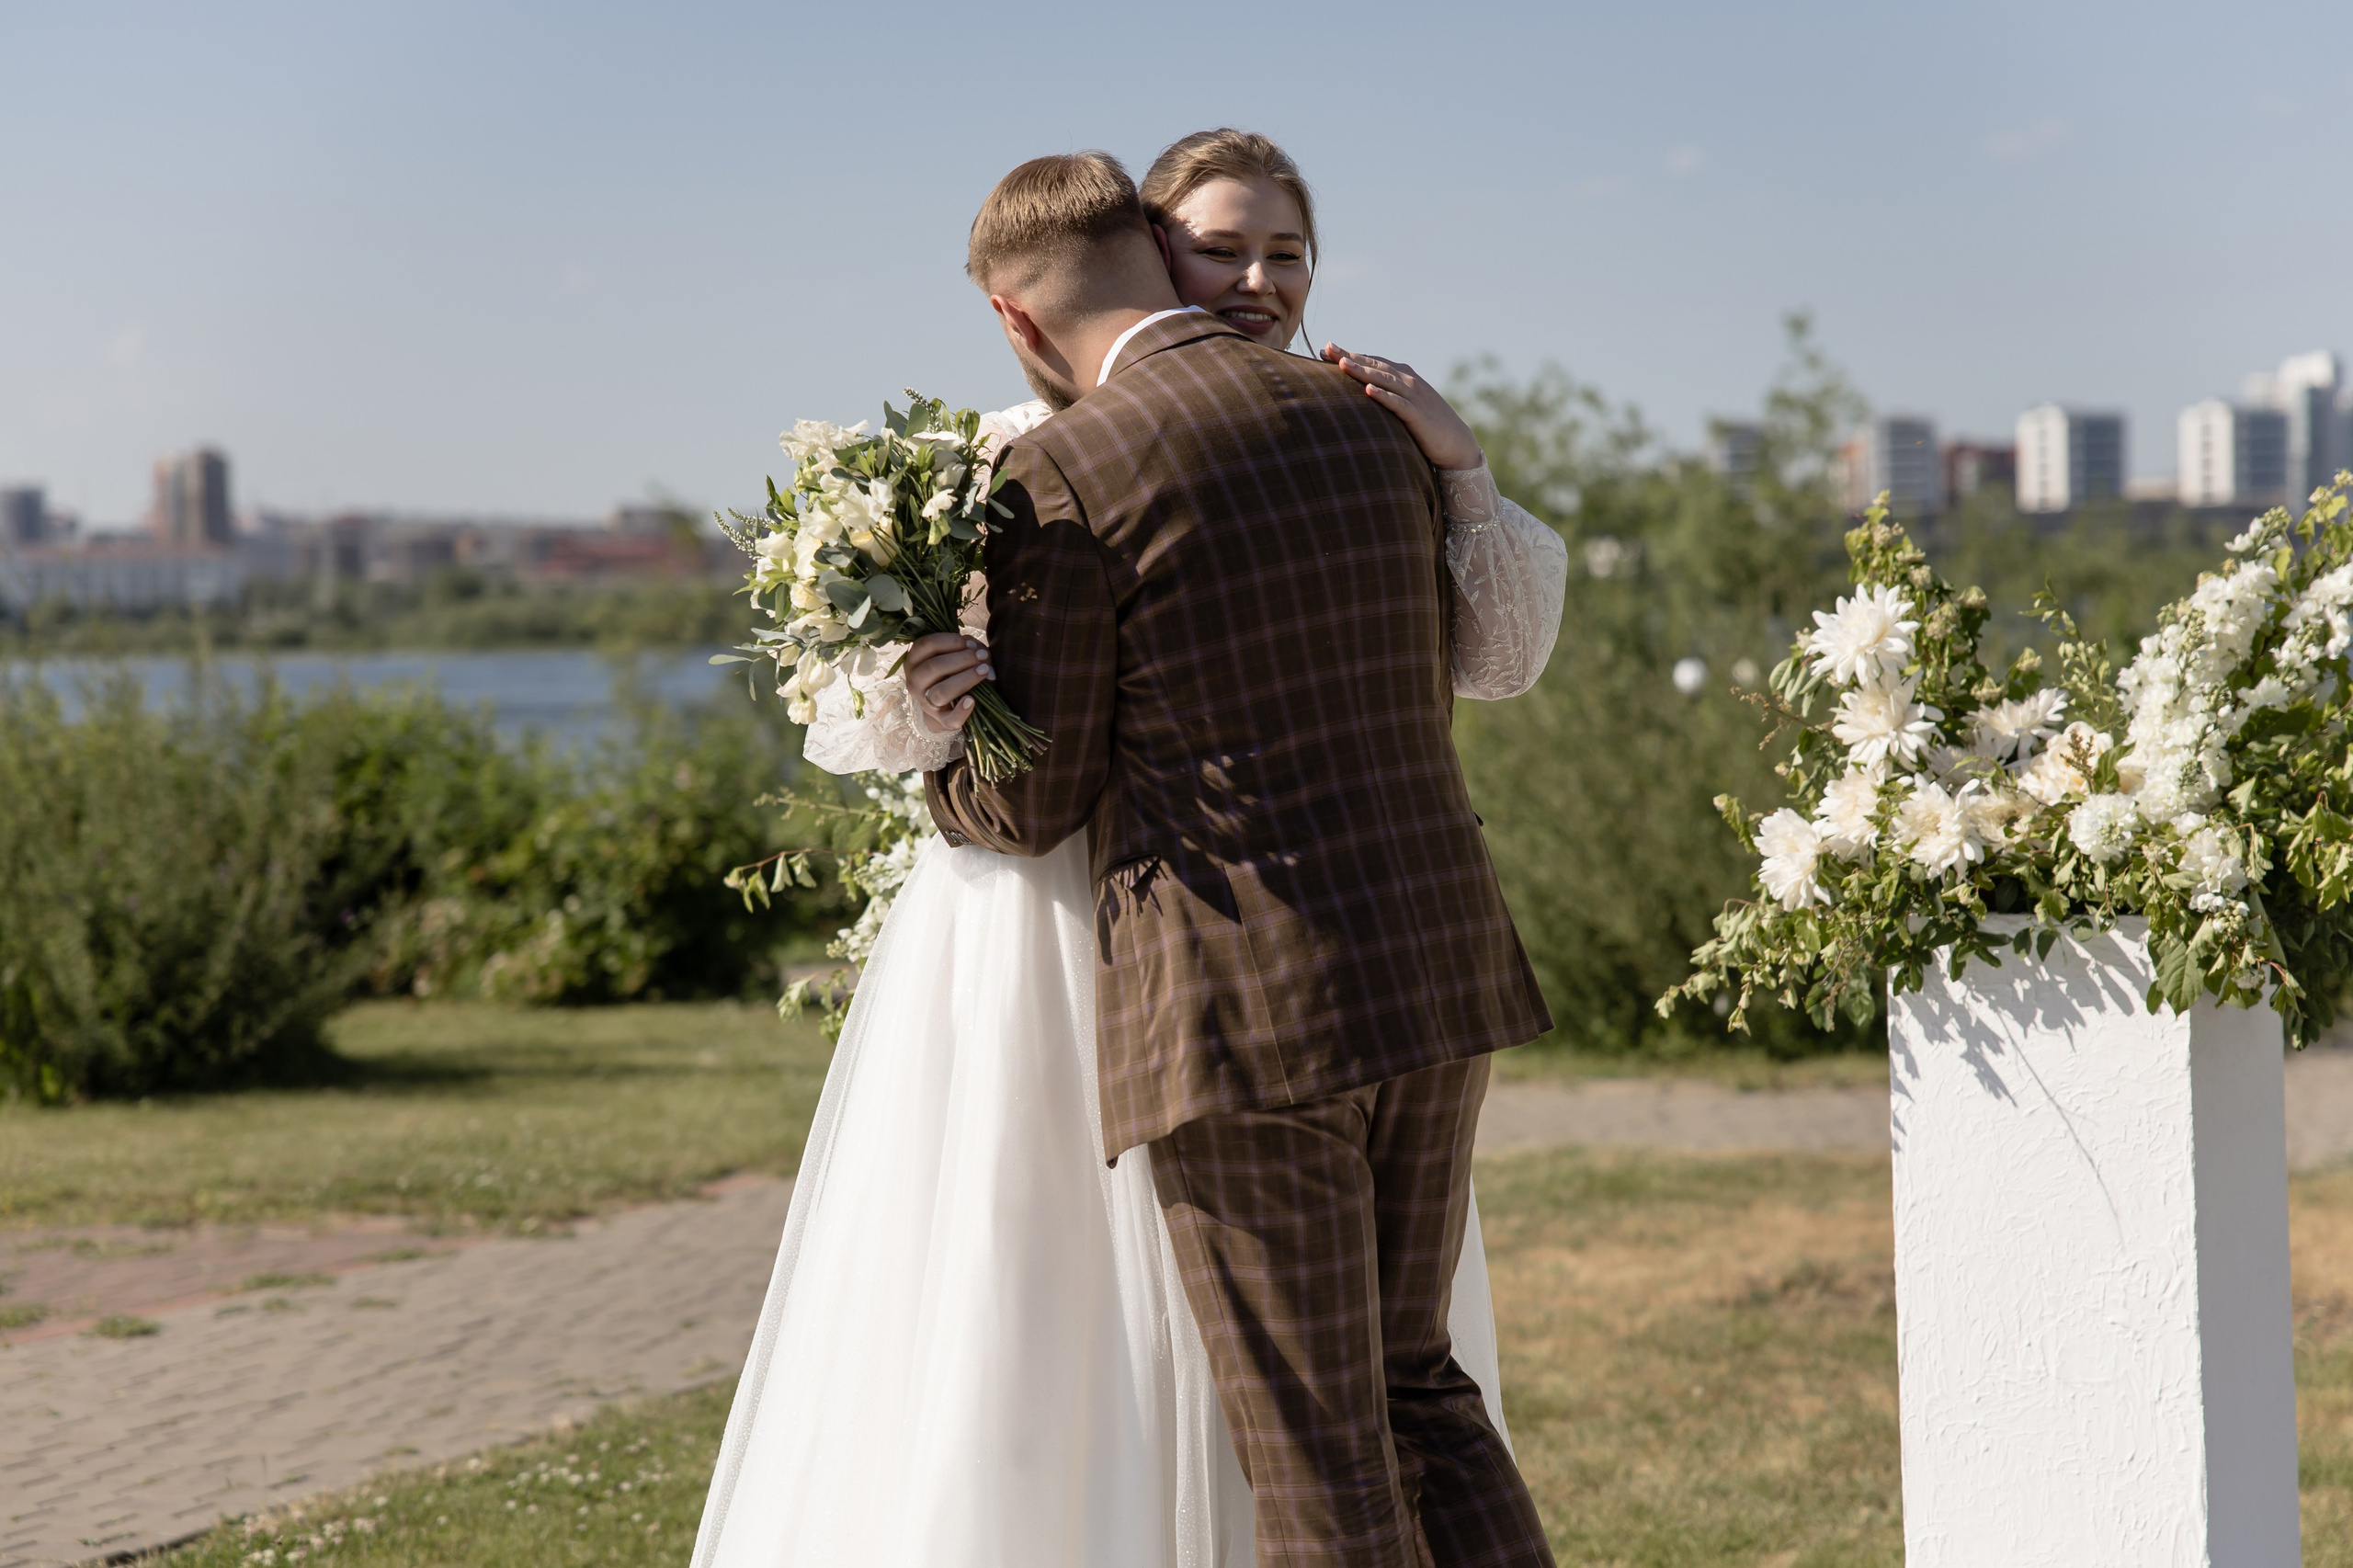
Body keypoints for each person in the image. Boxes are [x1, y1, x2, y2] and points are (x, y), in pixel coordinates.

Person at [693, 133, 1566, 1568]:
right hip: (1436, 968)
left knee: (1319, 1454)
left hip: (1250, 1010)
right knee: (1423, 1389)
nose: (1258, 278)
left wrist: (947, 767)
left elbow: (1040, 801)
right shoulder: (1373, 426)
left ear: (1017, 320)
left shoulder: (1064, 470)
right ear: (1159, 256)